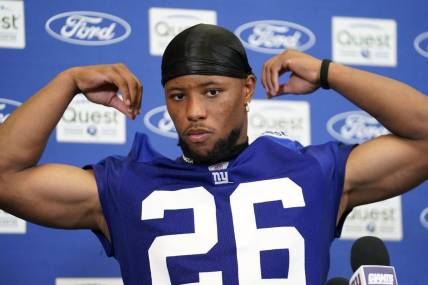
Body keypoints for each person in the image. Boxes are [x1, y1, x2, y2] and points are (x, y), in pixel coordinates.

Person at [0, 23, 427, 285]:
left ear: (247, 90)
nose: (194, 112)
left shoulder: (312, 173)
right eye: (177, 96)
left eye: (212, 92)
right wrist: (68, 81)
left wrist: (329, 72)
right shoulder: (127, 187)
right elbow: (6, 177)